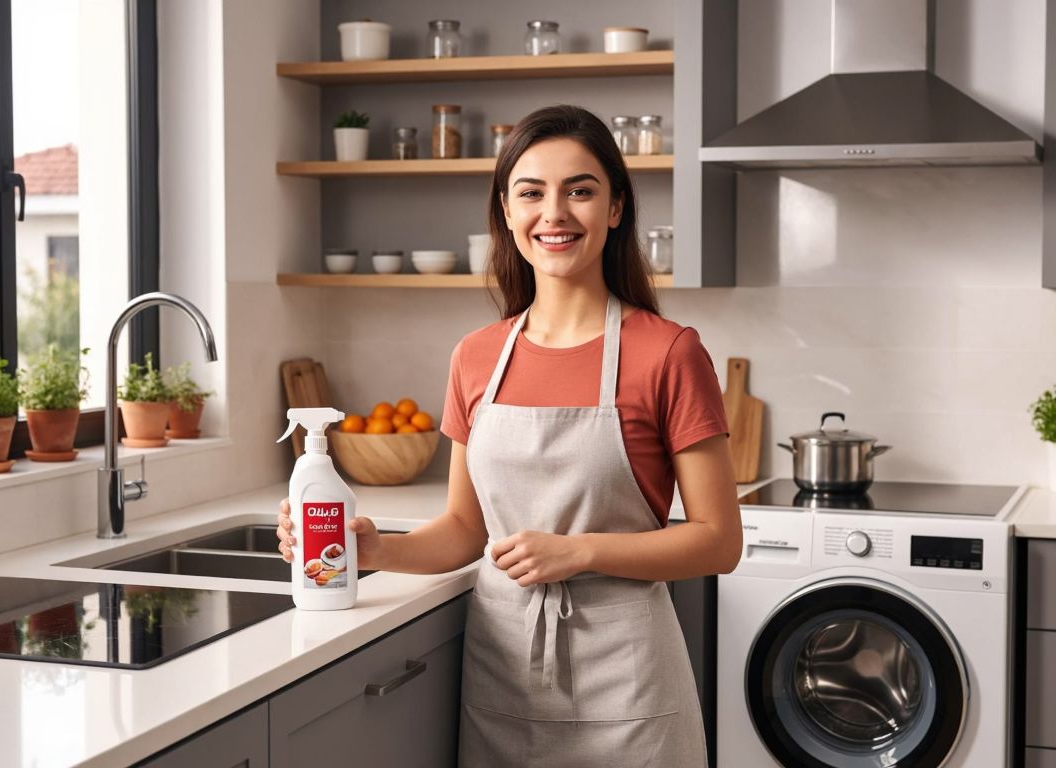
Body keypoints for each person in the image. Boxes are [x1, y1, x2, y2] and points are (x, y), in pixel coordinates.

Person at [277, 104, 742, 767]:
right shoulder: (475, 356)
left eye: (580, 191)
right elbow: (466, 528)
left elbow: (719, 542)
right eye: (531, 193)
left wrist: (579, 552)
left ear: (614, 209)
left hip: (627, 683)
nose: (554, 213)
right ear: (506, 213)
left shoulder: (668, 353)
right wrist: (372, 549)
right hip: (502, 676)